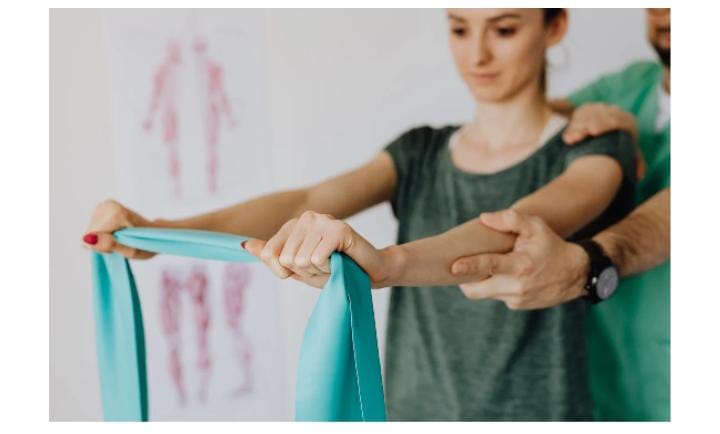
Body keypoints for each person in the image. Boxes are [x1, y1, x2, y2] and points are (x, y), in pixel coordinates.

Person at [84, 9, 636, 420]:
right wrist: (159, 234)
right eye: (460, 29)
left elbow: (509, 229)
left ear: (555, 27)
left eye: (505, 29)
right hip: (407, 415)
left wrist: (387, 264)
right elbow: (305, 202)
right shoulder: (420, 151)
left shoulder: (591, 149)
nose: (477, 55)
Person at [448, 8, 671, 421]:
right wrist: (585, 117)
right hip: (604, 381)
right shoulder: (627, 86)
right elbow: (530, 116)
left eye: (505, 29)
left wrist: (587, 264)